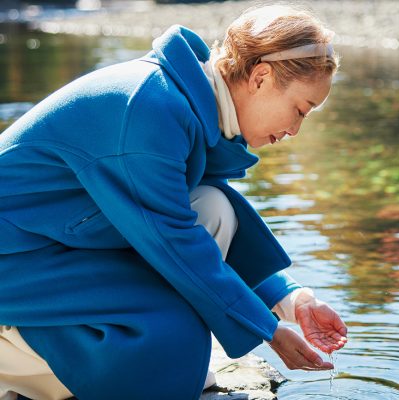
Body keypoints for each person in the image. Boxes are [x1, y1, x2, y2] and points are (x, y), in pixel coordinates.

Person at [0, 4, 347, 400]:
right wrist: (266, 330)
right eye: (299, 110)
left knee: (213, 207)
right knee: (174, 329)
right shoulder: (147, 109)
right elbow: (176, 242)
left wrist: (291, 300)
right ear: (262, 77)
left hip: (59, 241)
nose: (294, 130)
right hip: (15, 259)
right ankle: (13, 361)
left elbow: (198, 225)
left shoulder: (184, 101)